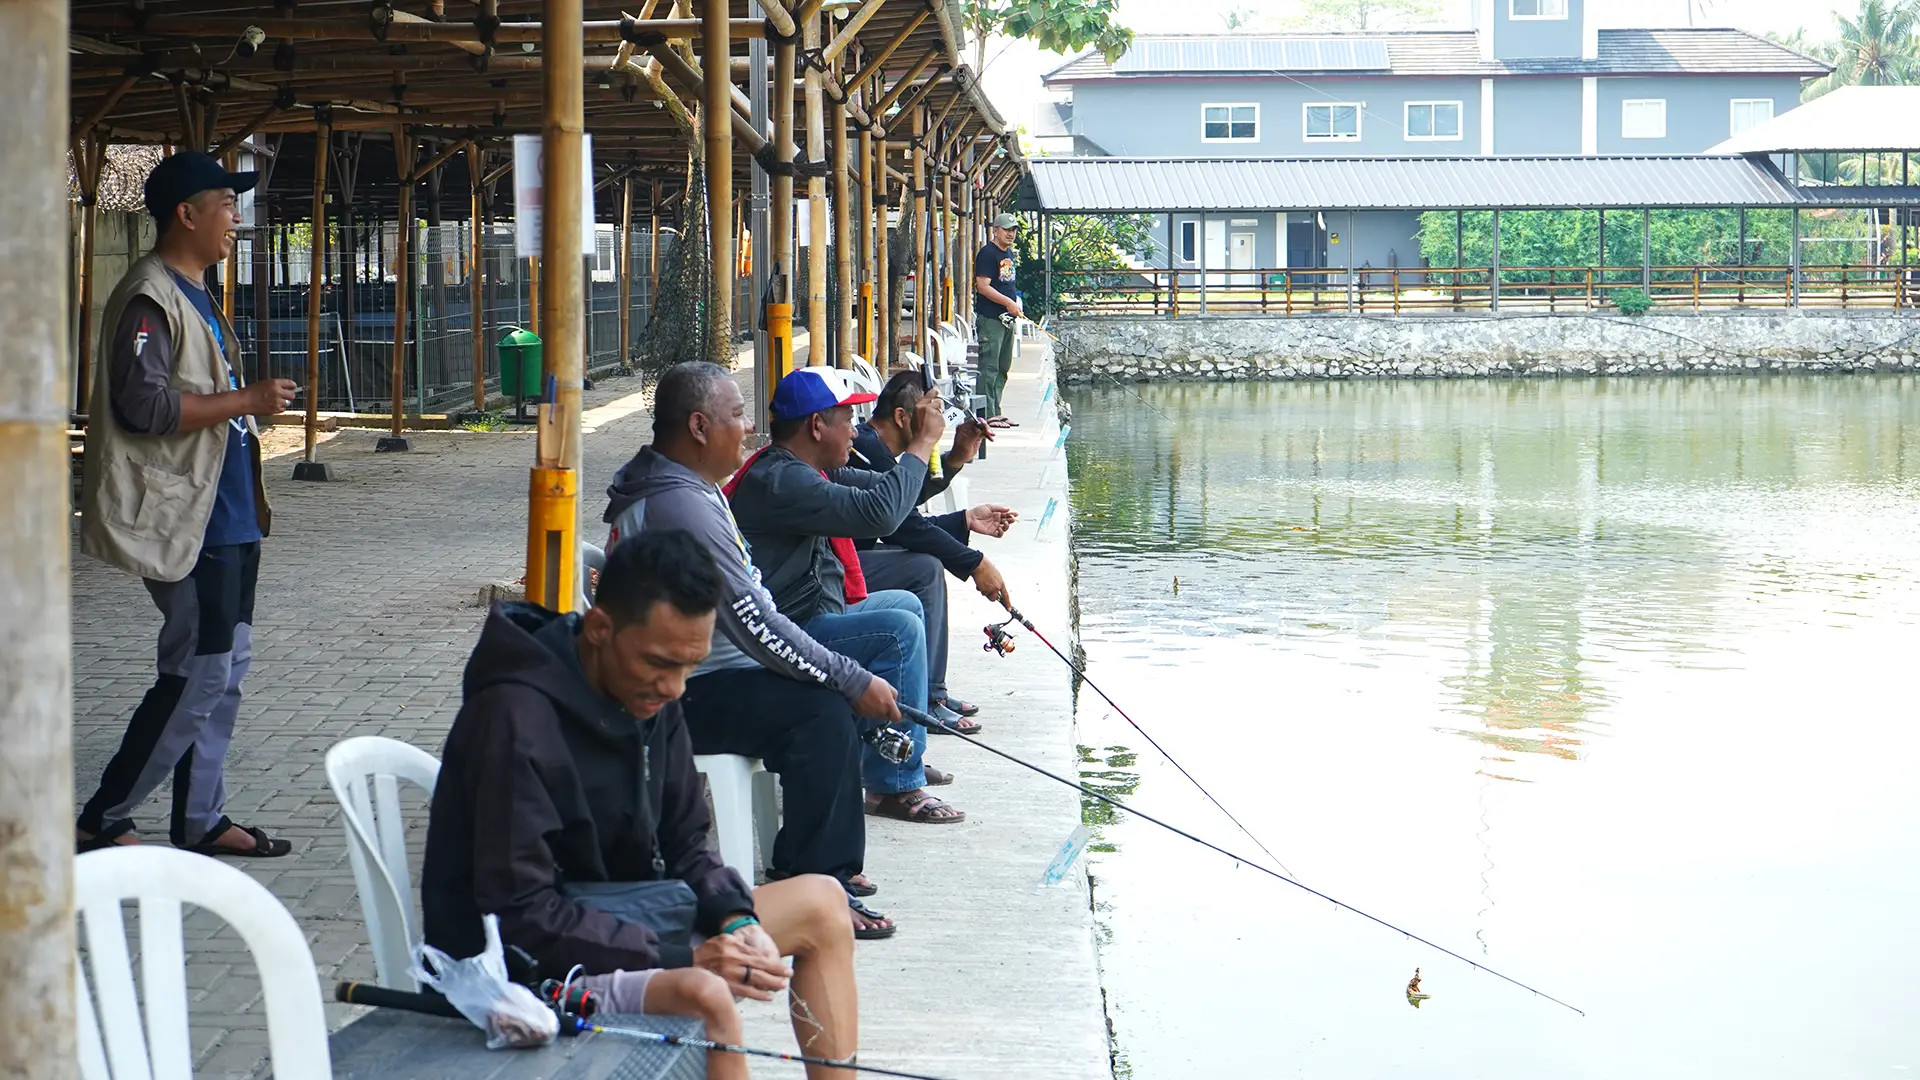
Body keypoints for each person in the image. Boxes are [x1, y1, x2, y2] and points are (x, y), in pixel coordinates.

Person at [420, 530, 859, 1080]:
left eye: (689, 666)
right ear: (600, 629)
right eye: (660, 663)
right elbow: (520, 915)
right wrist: (680, 955)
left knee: (822, 901)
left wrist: (734, 917)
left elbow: (686, 844)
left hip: (623, 917)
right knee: (705, 993)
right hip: (518, 968)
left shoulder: (651, 690)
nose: (674, 687)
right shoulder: (513, 721)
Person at [602, 362, 900, 939]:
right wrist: (847, 679)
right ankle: (816, 884)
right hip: (679, 696)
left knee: (824, 694)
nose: (748, 428)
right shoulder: (680, 504)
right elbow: (752, 622)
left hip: (712, 674)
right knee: (822, 713)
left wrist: (835, 673)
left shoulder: (691, 485)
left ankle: (820, 872)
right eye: (736, 415)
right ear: (697, 426)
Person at [76, 151, 299, 858]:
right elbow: (141, 405)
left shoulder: (195, 289)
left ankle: (202, 818)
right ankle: (103, 814)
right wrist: (249, 400)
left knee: (227, 664)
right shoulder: (150, 295)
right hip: (188, 520)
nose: (237, 217)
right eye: (226, 204)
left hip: (228, 513)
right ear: (188, 214)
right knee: (197, 669)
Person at [727, 368, 966, 826]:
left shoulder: (801, 469)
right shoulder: (783, 481)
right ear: (817, 425)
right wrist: (919, 447)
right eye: (847, 418)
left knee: (904, 605)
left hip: (806, 614)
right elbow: (880, 515)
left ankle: (892, 749)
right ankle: (895, 786)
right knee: (898, 631)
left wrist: (932, 450)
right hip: (783, 635)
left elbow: (886, 494)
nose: (855, 430)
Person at [849, 369, 1020, 733]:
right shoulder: (864, 448)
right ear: (901, 416)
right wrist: (974, 562)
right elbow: (903, 523)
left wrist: (957, 468)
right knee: (924, 568)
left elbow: (897, 512)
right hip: (837, 569)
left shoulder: (872, 447)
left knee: (923, 564)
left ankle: (931, 694)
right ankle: (926, 698)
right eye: (932, 411)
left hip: (852, 561)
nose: (940, 421)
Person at [973, 212, 1024, 425]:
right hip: (991, 319)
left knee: (1003, 367)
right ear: (995, 230)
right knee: (989, 367)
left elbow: (1006, 283)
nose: (1011, 234)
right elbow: (983, 287)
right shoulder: (987, 253)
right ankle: (985, 415)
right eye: (1007, 229)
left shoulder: (1008, 254)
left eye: (1013, 230)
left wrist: (1014, 304)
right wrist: (1007, 303)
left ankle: (996, 409)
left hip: (1007, 319)